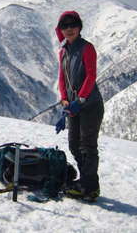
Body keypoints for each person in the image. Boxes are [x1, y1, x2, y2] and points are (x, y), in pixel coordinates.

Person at [54, 11, 104, 202]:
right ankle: (87, 182)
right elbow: (61, 77)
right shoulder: (63, 51)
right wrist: (65, 99)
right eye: (64, 26)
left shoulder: (87, 48)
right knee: (74, 145)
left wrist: (80, 100)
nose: (69, 29)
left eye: (73, 25)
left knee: (87, 146)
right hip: (73, 105)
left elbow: (91, 76)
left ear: (79, 26)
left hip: (90, 105)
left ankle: (89, 187)